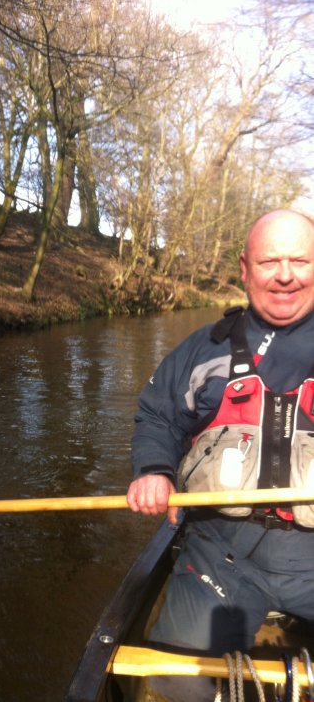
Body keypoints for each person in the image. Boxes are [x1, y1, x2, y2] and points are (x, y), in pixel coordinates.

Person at [126, 208, 314, 702]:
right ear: (245, 267)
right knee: (175, 683)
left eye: (301, 260)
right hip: (221, 552)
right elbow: (159, 418)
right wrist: (154, 472)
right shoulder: (200, 350)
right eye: (270, 261)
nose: (286, 275)